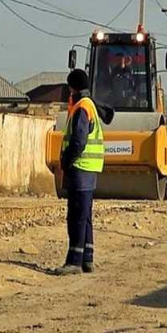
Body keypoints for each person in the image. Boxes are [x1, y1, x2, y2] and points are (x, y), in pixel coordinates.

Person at [54, 69, 105, 275]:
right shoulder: (90, 105)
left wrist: (66, 160)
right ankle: (87, 259)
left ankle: (74, 262)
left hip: (80, 168)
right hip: (90, 170)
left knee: (76, 216)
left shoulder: (82, 108)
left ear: (73, 87)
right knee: (85, 216)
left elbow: (78, 141)